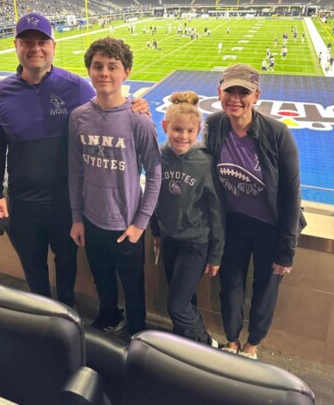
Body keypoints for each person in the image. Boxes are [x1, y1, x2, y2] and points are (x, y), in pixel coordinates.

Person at [0, 14, 147, 308]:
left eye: (42, 41)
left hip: (65, 202)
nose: (35, 48)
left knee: (67, 264)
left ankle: (67, 314)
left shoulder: (76, 86)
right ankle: (43, 316)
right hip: (22, 201)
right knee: (33, 267)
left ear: (53, 46)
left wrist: (137, 105)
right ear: (16, 46)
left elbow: (109, 104)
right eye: (27, 42)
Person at [204, 64, 306, 360]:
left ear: (256, 95)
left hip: (270, 229)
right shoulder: (213, 124)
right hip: (233, 224)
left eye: (243, 92)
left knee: (264, 290)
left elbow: (291, 194)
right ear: (219, 92)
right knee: (230, 286)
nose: (235, 98)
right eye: (230, 91)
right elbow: (187, 145)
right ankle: (233, 340)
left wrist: (286, 249)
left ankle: (253, 345)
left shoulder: (277, 133)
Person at [68, 37, 161, 335]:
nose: (104, 73)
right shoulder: (78, 117)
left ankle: (137, 331)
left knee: (134, 286)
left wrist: (140, 224)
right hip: (93, 221)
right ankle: (108, 315)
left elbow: (156, 173)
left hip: (126, 226)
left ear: (126, 72)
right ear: (89, 71)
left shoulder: (139, 120)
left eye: (112, 66)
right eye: (97, 66)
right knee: (102, 278)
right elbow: (75, 170)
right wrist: (77, 218)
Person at [150, 91, 224, 347]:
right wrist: (156, 233)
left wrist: (215, 254)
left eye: (190, 131)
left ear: (198, 131)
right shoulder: (159, 156)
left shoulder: (204, 163)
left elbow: (217, 212)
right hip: (170, 240)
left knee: (177, 304)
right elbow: (154, 199)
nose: (183, 136)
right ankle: (186, 342)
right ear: (165, 127)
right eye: (177, 129)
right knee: (185, 298)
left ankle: (205, 343)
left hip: (195, 243)